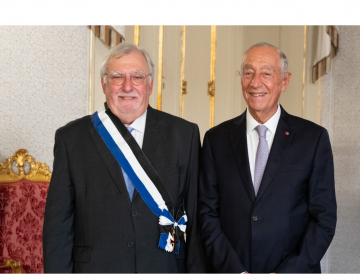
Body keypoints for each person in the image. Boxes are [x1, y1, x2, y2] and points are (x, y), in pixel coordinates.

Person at [43, 42, 206, 273]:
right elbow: (57, 228)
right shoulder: (71, 139)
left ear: (149, 84)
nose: (127, 86)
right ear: (104, 84)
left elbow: (196, 222)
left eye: (137, 77)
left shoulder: (184, 135)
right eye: (117, 76)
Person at [198, 42, 337, 273]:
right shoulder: (216, 139)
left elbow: (324, 221)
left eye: (266, 73)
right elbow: (206, 214)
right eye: (248, 72)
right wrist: (236, 272)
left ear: (284, 81)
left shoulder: (313, 140)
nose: (255, 82)